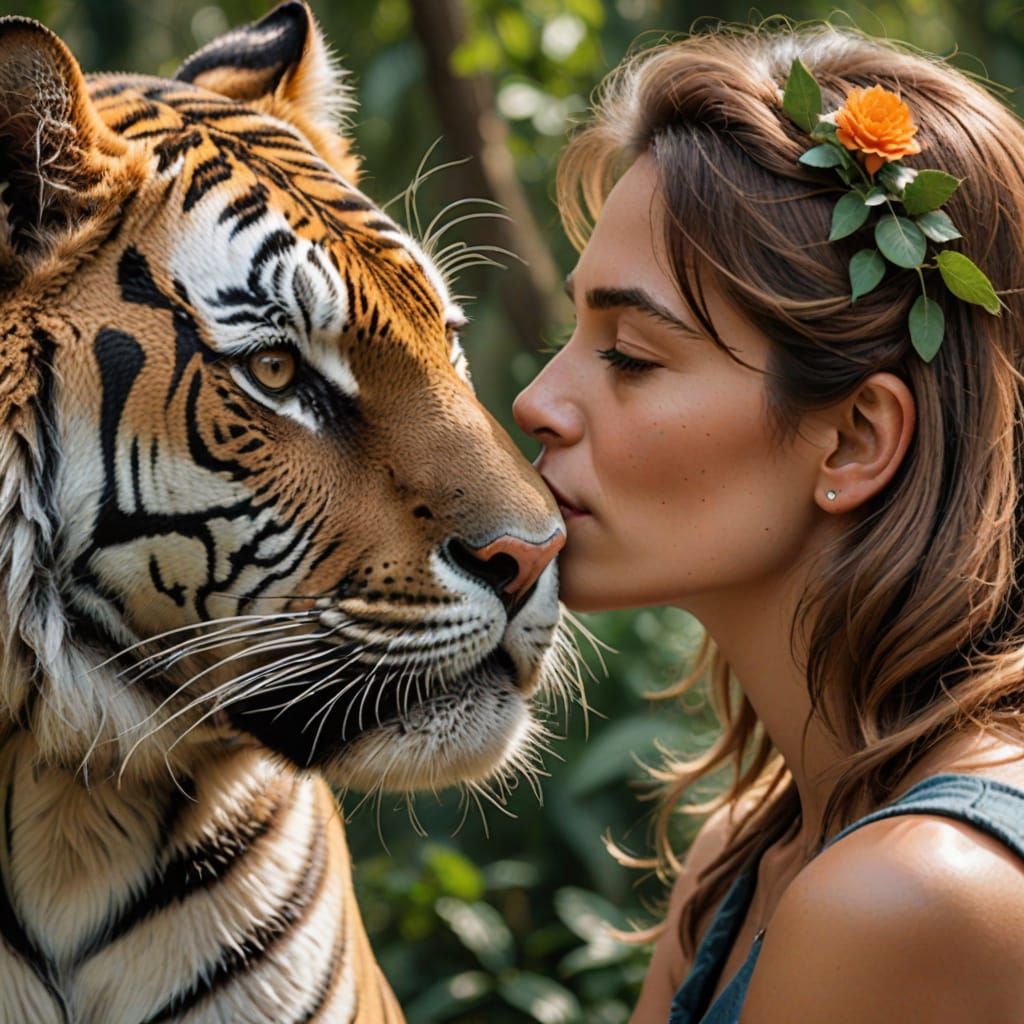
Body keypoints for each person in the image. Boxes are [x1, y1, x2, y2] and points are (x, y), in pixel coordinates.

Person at [513, 23, 1024, 1024]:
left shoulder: (904, 898)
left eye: (631, 354)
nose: (536, 401)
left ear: (852, 440)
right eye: (569, 334)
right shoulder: (740, 865)